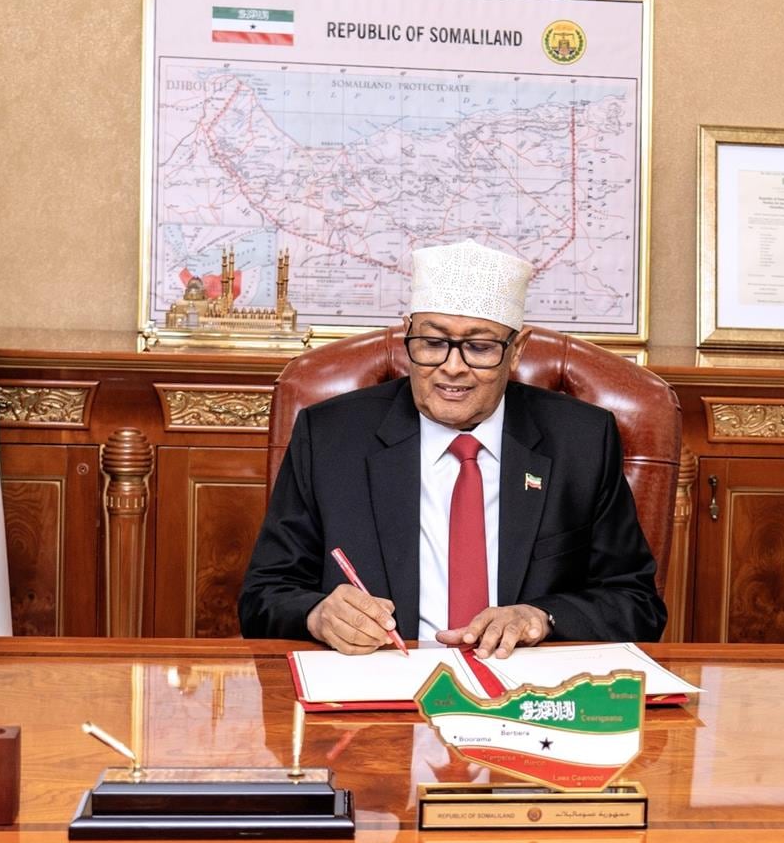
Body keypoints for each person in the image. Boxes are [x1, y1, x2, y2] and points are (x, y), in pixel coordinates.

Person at [239, 240, 665, 658]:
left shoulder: (581, 440)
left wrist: (543, 617)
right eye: (432, 343)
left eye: (480, 348)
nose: (452, 367)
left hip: (524, 683)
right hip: (385, 676)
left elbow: (637, 604)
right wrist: (317, 615)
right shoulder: (331, 437)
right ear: (408, 335)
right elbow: (264, 596)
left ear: (516, 350)